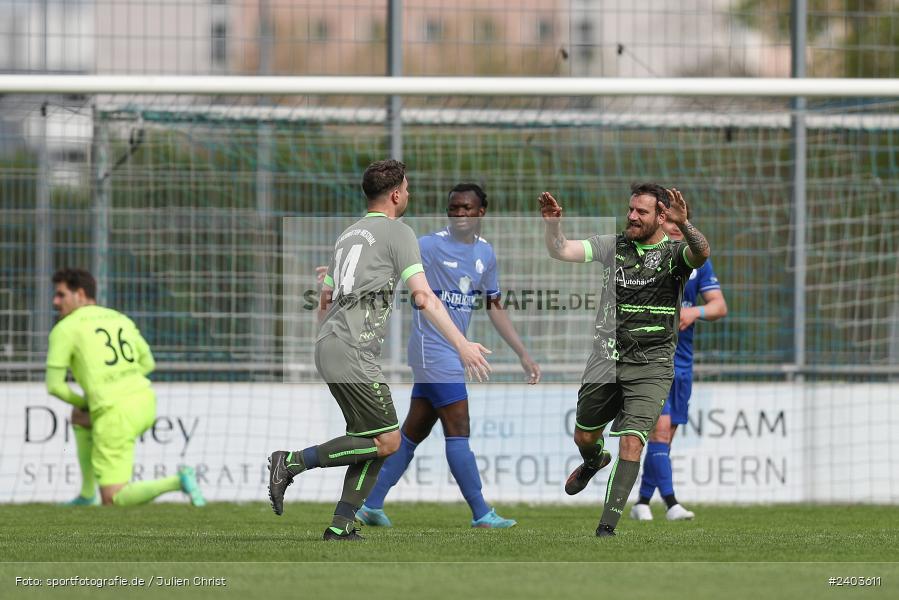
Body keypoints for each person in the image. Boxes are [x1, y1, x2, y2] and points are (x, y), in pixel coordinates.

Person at [268, 160, 492, 541]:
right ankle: (289, 462)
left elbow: (325, 296)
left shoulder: (348, 234)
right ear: (394, 194)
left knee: (373, 440)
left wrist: (328, 337)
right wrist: (462, 344)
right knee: (387, 440)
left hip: (331, 345)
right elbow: (422, 295)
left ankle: (341, 525)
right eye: (406, 188)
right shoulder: (397, 232)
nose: (409, 194)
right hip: (352, 349)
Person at [356, 183, 540, 529]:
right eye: (454, 208)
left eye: (467, 208)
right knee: (459, 428)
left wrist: (522, 353)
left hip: (450, 352)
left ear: (481, 212)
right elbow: (389, 266)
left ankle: (371, 504)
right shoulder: (428, 245)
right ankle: (482, 512)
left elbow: (494, 305)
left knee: (412, 433)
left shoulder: (486, 253)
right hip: (432, 348)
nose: (460, 214)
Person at [539, 184, 710, 537]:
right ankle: (592, 461)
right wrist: (553, 226)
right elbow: (562, 250)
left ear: (662, 217)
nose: (632, 216)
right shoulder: (611, 246)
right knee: (585, 436)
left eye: (641, 212)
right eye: (630, 209)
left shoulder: (676, 254)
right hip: (606, 359)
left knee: (632, 439)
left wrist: (686, 224)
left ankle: (607, 527)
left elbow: (702, 254)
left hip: (653, 364)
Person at [46, 268, 206, 507]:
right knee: (81, 417)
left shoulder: (66, 328)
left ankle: (177, 481)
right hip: (144, 401)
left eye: (61, 295)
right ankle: (87, 494)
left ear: (80, 294)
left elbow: (55, 387)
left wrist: (87, 401)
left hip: (115, 414)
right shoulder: (119, 318)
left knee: (113, 498)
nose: (55, 301)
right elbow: (148, 362)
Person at [631, 209, 727, 521]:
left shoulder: (698, 263)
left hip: (682, 364)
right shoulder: (645, 261)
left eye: (678, 223)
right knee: (659, 433)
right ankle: (672, 504)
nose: (673, 228)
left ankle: (642, 503)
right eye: (667, 222)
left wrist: (693, 312)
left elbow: (719, 306)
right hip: (651, 362)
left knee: (664, 441)